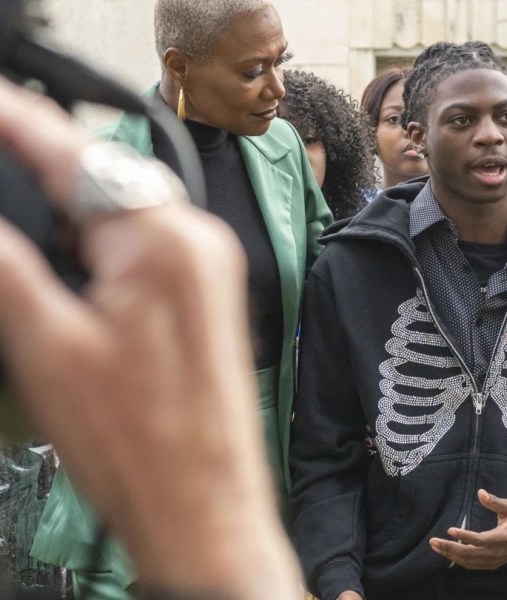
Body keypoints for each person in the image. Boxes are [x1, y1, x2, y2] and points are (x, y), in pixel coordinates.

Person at [290, 41, 507, 600]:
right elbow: (325, 452)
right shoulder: (348, 271)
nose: (490, 134)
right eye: (462, 120)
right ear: (417, 136)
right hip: (378, 585)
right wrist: (336, 580)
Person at [30, 0, 332, 597]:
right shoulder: (100, 168)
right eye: (252, 71)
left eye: (281, 63)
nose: (277, 88)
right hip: (138, 457)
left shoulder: (284, 150)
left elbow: (335, 268)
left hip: (263, 448)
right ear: (179, 66)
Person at [277, 69, 376, 219]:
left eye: (309, 140)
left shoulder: (357, 234)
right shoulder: (234, 234)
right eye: (281, 139)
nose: (299, 154)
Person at [360, 65, 429, 191]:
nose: (412, 130)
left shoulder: (470, 206)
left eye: (424, 117)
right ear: (370, 131)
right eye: (394, 119)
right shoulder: (355, 209)